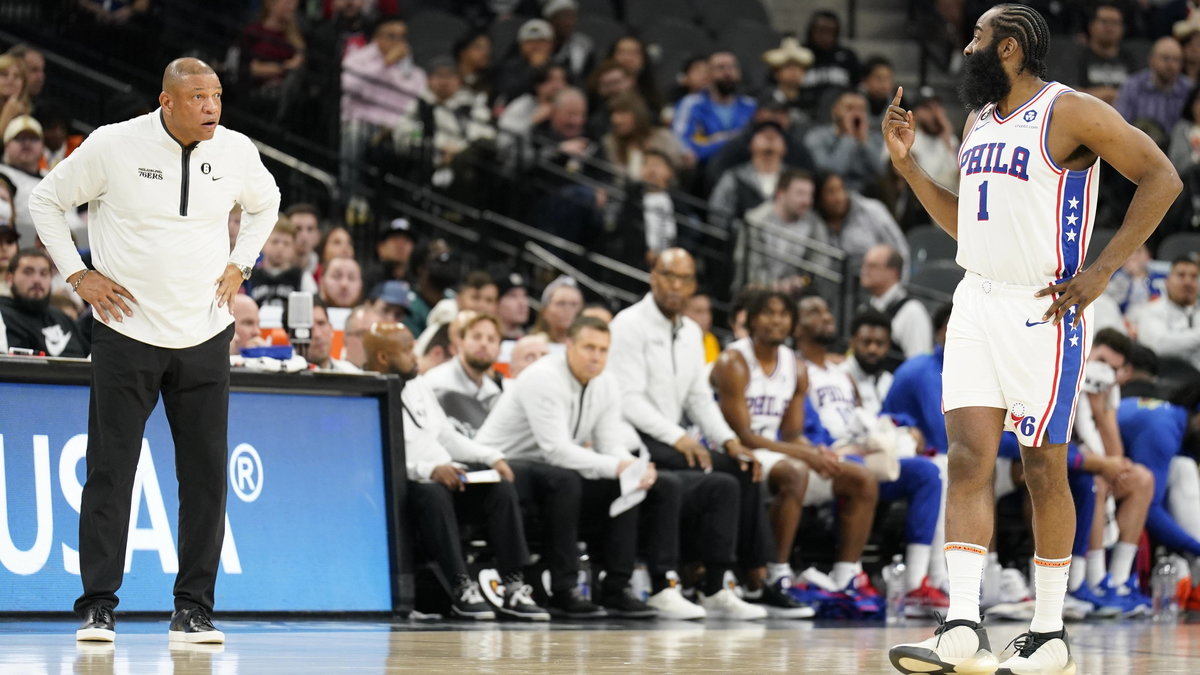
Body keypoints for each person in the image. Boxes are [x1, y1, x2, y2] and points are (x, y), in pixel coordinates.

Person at [883, 4, 1183, 672]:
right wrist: (908, 168)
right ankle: (963, 624)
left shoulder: (1070, 110)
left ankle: (1048, 631)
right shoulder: (978, 118)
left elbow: (1162, 176)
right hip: (975, 298)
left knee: (1043, 462)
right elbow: (970, 224)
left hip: (1042, 307)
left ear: (1010, 47)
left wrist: (1104, 268)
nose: (966, 48)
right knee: (966, 456)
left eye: (977, 38)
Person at [28, 58, 281, 644]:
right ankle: (97, 607)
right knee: (110, 474)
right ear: (166, 101)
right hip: (126, 333)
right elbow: (46, 201)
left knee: (205, 480)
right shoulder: (113, 145)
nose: (212, 107)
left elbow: (266, 203)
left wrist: (242, 263)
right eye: (198, 97)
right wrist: (77, 274)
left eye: (217, 95)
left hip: (205, 335)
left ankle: (193, 610)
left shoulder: (237, 150)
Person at [606, 249, 785, 618]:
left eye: (684, 279)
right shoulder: (628, 324)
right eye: (669, 276)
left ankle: (730, 583)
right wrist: (677, 437)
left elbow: (699, 399)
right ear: (653, 276)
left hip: (672, 437)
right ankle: (697, 580)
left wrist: (731, 442)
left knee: (742, 467)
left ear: (692, 286)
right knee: (718, 478)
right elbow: (628, 400)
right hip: (634, 438)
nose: (676, 285)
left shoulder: (690, 331)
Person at [362, 322, 550, 620]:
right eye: (408, 350)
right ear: (384, 358)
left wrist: (492, 457)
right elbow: (373, 458)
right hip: (407, 489)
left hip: (443, 476)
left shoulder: (418, 384)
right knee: (431, 492)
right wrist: (429, 469)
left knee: (499, 487)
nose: (416, 356)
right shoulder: (365, 391)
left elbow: (448, 436)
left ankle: (514, 586)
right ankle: (462, 587)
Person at [474, 316, 659, 618]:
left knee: (623, 483)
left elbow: (610, 443)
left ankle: (616, 585)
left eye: (603, 349)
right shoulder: (543, 377)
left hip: (546, 471)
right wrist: (618, 465)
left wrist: (634, 467)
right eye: (589, 347)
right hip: (502, 467)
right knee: (567, 479)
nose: (596, 356)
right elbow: (558, 451)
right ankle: (564, 588)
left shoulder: (606, 382)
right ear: (569, 345)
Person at [710, 290, 877, 614]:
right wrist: (804, 455)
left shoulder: (795, 367)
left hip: (773, 450)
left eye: (783, 314)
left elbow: (791, 433)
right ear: (752, 319)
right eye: (768, 313)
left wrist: (818, 451)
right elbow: (743, 435)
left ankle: (844, 577)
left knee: (860, 478)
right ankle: (776, 576)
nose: (776, 320)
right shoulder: (734, 361)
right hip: (733, 450)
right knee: (795, 471)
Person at [737, 168, 835, 291]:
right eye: (800, 194)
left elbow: (821, 263)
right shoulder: (756, 221)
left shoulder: (814, 223)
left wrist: (803, 281)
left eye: (810, 195)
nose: (807, 201)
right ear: (781, 194)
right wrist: (774, 286)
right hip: (759, 291)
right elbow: (749, 266)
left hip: (799, 293)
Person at [424, 312, 504, 437]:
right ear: (460, 343)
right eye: (476, 337)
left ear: (499, 350)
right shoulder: (435, 381)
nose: (484, 344)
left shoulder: (494, 392)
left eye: (491, 339)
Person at [0, 248, 89, 357]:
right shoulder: (3, 316)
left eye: (43, 273)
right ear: (10, 278)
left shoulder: (61, 317)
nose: (37, 280)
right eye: (28, 272)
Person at [672, 52, 757, 162]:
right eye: (721, 68)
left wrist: (716, 140)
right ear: (707, 75)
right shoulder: (691, 104)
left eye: (732, 67)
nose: (727, 73)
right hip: (704, 167)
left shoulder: (750, 106)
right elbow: (680, 141)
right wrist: (732, 139)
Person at [860, 244, 933, 364]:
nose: (864, 270)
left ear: (893, 272)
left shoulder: (912, 312)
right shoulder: (865, 309)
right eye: (864, 264)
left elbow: (919, 365)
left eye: (872, 266)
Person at [804, 90, 884, 193]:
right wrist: (848, 137)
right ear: (835, 111)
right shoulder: (817, 137)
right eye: (849, 108)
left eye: (861, 109)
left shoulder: (875, 138)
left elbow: (882, 172)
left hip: (869, 194)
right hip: (832, 194)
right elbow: (829, 174)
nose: (856, 114)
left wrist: (864, 142)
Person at [1114, 36, 1193, 138]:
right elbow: (1120, 127)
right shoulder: (1132, 86)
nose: (1171, 65)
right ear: (1151, 59)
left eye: (1176, 60)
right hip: (1139, 147)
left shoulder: (1189, 89)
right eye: (1165, 58)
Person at [1135, 255, 1200, 371]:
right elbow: (1157, 346)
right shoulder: (1150, 309)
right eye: (1181, 275)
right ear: (1167, 282)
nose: (1188, 281)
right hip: (1162, 378)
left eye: (1194, 276)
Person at [306, 300, 360, 372]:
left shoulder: (352, 374)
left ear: (331, 328)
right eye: (309, 328)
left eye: (321, 323)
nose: (317, 334)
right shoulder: (286, 376)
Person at [531, 275, 582, 346]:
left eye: (574, 304)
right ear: (545, 311)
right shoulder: (533, 344)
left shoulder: (586, 345)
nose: (568, 309)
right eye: (561, 303)